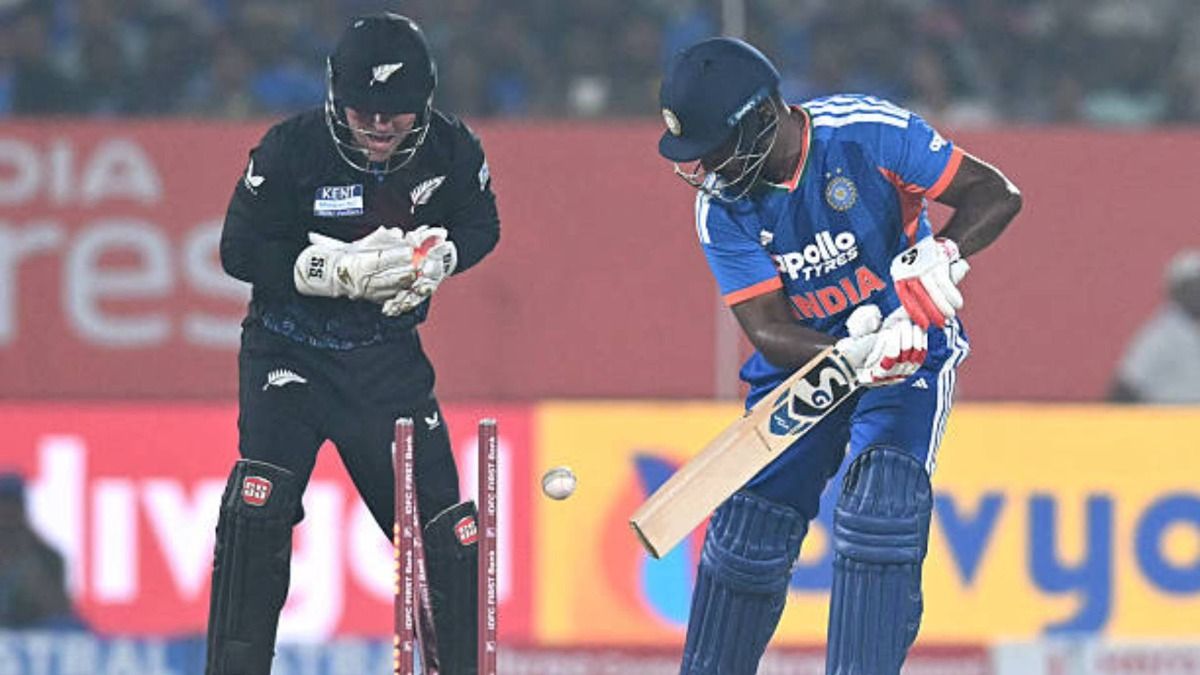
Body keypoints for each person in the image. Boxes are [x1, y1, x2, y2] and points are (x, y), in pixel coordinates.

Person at [656, 38, 1022, 674]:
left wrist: (941, 254)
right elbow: (768, 329)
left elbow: (997, 194)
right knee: (748, 532)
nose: (708, 167)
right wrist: (853, 353)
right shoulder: (721, 209)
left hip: (909, 342)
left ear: (761, 116)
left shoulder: (867, 133)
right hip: (808, 357)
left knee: (881, 508)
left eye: (717, 148)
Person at [207, 13, 499, 675]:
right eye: (364, 111)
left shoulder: (452, 150)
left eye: (395, 113)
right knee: (259, 506)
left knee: (442, 538)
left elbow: (482, 224)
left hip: (384, 359)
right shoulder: (290, 149)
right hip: (289, 353)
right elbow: (237, 249)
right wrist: (323, 271)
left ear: (424, 101)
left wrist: (443, 256)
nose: (378, 126)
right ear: (337, 97)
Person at [1109, 249, 1200, 403]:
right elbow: (1127, 387)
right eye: (1192, 287)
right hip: (1168, 415)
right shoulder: (1163, 334)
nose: (1197, 293)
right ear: (1175, 291)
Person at [0, 472, 82, 630]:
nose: (7, 514)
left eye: (13, 506)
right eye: (3, 505)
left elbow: (59, 610)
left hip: (30, 632)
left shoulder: (47, 557)